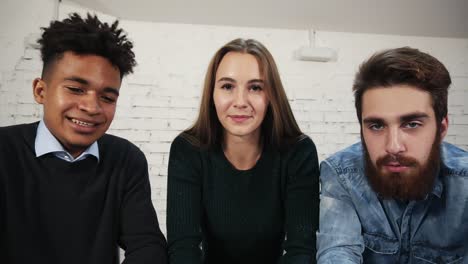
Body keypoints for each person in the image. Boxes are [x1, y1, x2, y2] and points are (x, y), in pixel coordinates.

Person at [0, 13, 167, 264]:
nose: (92, 107)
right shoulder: (4, 151)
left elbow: (148, 246)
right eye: (76, 89)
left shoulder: (126, 159)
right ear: (40, 91)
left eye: (107, 98)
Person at [166, 38, 320, 263]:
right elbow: (183, 248)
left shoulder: (299, 152)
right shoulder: (187, 150)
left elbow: (301, 250)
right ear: (212, 93)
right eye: (227, 86)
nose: (240, 102)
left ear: (271, 97)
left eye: (256, 87)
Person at [317, 47, 468, 263]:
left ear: (441, 128)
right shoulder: (342, 174)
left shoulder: (464, 183)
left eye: (412, 124)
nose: (393, 146)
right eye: (377, 126)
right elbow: (337, 252)